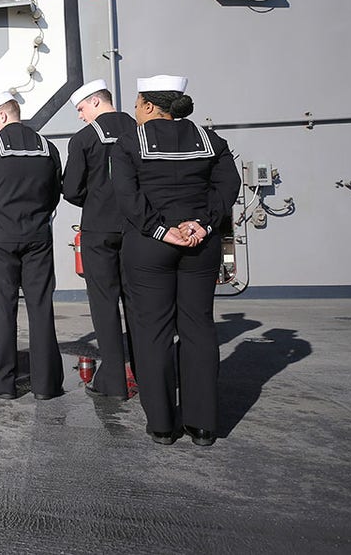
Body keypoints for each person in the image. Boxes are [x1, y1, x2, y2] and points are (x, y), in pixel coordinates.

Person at [111, 74, 240, 446]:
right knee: (198, 326)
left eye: (137, 104)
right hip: (201, 244)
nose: (134, 111)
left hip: (150, 246)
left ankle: (164, 424)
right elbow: (227, 187)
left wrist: (160, 230)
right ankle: (202, 425)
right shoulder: (211, 140)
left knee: (153, 331)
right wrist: (203, 224)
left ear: (150, 106)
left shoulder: (128, 143)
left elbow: (126, 194)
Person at [0, 95, 64, 400]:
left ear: (2, 116)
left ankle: (3, 382)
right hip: (38, 237)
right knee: (40, 307)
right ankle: (46, 384)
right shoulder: (48, 148)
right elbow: (53, 194)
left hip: (0, 238)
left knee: (3, 307)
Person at [62, 79, 138, 398]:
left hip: (99, 229)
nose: (80, 116)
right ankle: (143, 370)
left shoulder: (83, 139)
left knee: (104, 303)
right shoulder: (139, 130)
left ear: (95, 102)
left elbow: (71, 190)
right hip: (139, 227)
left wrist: (96, 201)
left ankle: (114, 381)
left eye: (81, 109)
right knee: (139, 303)